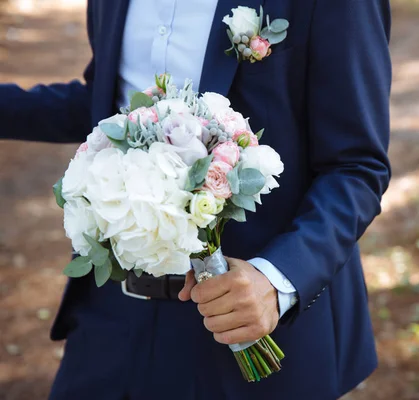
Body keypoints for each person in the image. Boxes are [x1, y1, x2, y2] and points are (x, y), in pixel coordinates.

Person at [0, 0, 392, 398]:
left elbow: (355, 166)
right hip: (110, 317)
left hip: (240, 324)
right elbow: (110, 99)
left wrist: (276, 281)